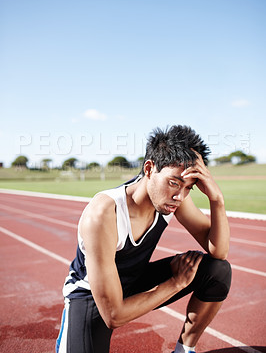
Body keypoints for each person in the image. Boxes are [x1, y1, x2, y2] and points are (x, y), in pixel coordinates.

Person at [56, 125, 231, 353]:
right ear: (149, 168)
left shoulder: (173, 199)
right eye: (174, 182)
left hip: (134, 280)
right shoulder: (104, 214)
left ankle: (184, 350)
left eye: (189, 187)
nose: (180, 196)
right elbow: (113, 315)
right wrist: (176, 283)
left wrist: (217, 199)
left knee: (217, 270)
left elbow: (219, 251)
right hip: (93, 297)